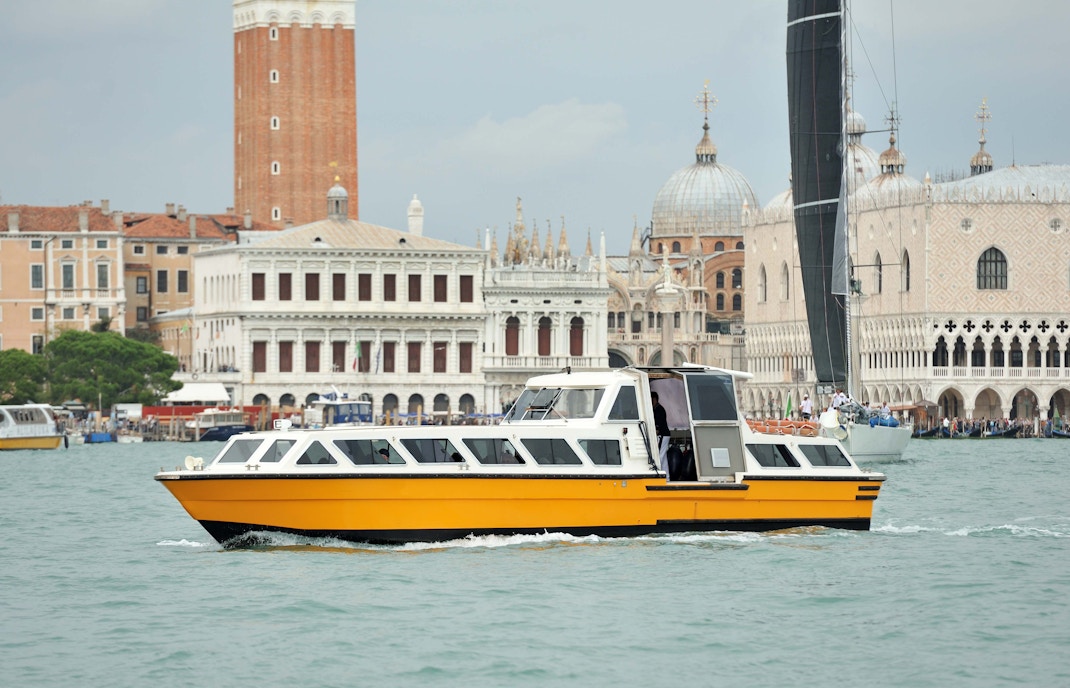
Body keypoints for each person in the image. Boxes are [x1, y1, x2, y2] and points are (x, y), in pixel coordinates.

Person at [651, 392, 670, 475]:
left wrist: (656, 432)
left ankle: (657, 474)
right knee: (663, 456)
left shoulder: (658, 409)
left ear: (654, 399)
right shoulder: (657, 409)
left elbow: (659, 424)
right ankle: (667, 477)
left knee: (658, 455)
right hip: (665, 434)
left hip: (662, 434)